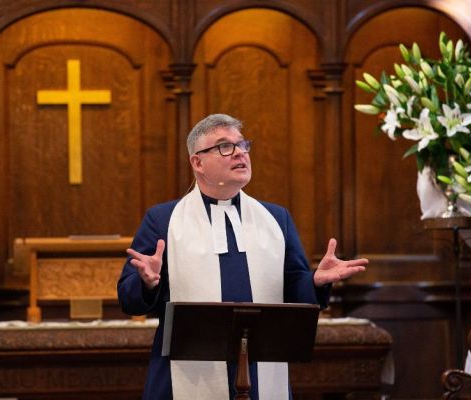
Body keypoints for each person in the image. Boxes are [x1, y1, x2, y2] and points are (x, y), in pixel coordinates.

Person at [117, 113, 368, 400]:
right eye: (225, 147)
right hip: (184, 375)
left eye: (243, 145)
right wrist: (148, 283)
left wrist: (316, 281)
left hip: (260, 371)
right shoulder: (163, 220)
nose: (240, 153)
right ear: (197, 162)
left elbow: (293, 290)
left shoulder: (275, 218)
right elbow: (128, 299)